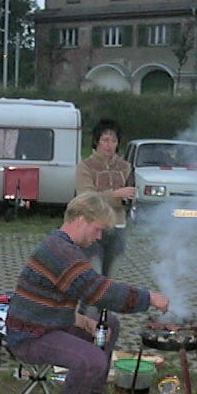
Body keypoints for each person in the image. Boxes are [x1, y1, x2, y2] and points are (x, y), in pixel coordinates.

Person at [5, 191, 170, 394]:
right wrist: (148, 298)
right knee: (93, 359)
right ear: (81, 220)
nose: (99, 237)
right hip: (29, 337)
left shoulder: (61, 246)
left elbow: (49, 304)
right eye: (97, 229)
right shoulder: (62, 253)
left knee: (108, 323)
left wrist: (80, 320)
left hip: (44, 323)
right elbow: (100, 293)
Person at [75, 118, 135, 277]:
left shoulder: (126, 167)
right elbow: (86, 198)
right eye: (105, 140)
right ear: (97, 141)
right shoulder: (85, 166)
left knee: (110, 280)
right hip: (92, 228)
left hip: (118, 227)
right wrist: (115, 194)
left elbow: (130, 197)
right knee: (93, 277)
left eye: (114, 141)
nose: (109, 145)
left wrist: (129, 198)